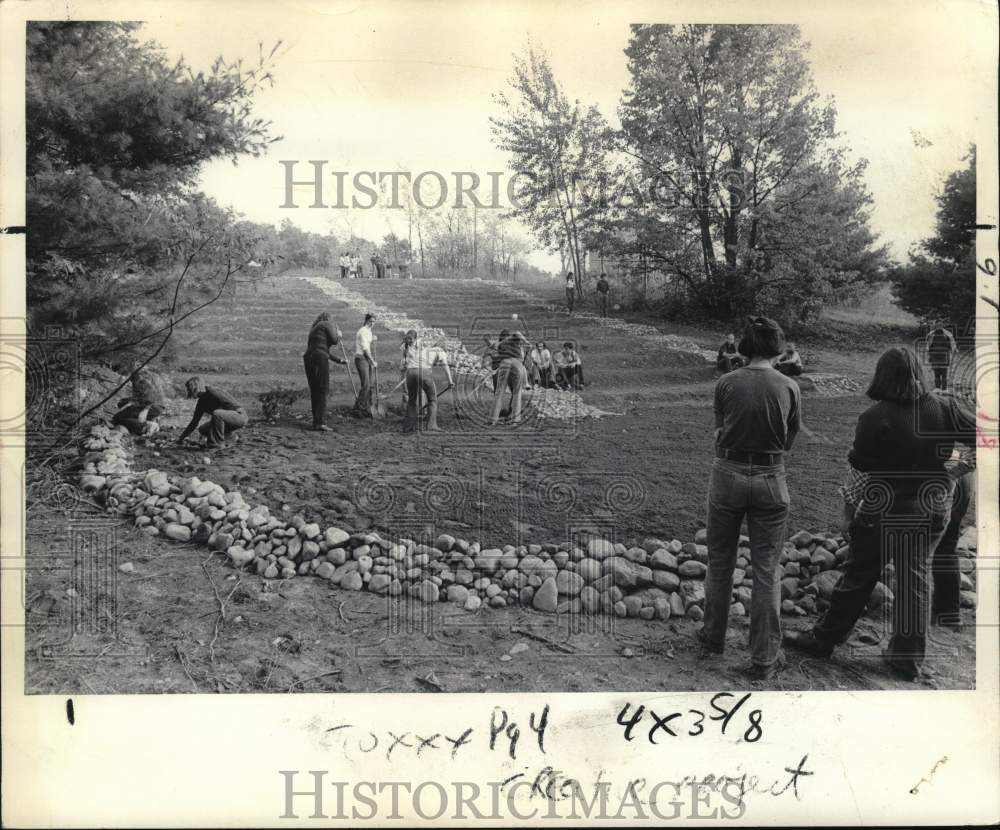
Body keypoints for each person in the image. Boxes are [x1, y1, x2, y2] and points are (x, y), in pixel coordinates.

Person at [783, 347, 976, 680]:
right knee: (915, 580)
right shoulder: (947, 408)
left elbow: (861, 468)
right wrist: (951, 471)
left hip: (889, 506)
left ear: (882, 376)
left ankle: (824, 640)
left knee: (859, 573)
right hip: (934, 507)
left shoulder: (875, 418)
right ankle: (907, 660)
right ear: (919, 372)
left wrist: (852, 511)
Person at [698, 316, 801, 681]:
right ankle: (764, 657)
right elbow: (789, 440)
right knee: (766, 570)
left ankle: (712, 639)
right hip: (772, 478)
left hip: (727, 474)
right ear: (777, 347)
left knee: (720, 561)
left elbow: (718, 432)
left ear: (744, 345)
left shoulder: (726, 382)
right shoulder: (789, 386)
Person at [399, 330, 453, 433]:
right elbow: (445, 367)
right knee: (432, 400)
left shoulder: (425, 350)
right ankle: (431, 425)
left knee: (412, 401)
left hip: (410, 372)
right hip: (423, 372)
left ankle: (408, 427)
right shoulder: (441, 351)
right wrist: (450, 381)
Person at [302, 312, 347, 432]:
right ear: (328, 318)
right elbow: (334, 340)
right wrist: (339, 335)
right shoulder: (326, 323)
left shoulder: (314, 329)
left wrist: (339, 360)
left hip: (309, 358)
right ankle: (320, 422)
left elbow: (323, 349)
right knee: (323, 389)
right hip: (319, 358)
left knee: (315, 390)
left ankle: (316, 422)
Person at [176, 377, 247, 449]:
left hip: (239, 415)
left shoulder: (213, 392)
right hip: (227, 418)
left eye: (189, 389)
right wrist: (181, 438)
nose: (188, 391)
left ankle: (217, 444)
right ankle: (231, 437)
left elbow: (231, 406)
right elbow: (194, 422)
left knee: (217, 413)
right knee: (203, 429)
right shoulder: (201, 402)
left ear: (195, 387)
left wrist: (212, 436)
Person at [490, 331, 529, 425]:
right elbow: (518, 333)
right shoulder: (513, 338)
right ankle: (515, 420)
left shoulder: (500, 344)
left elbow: (496, 353)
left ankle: (493, 420)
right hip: (517, 363)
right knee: (517, 392)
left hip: (504, 363)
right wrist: (527, 342)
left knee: (499, 392)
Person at [353, 313, 378, 416]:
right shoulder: (363, 331)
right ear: (366, 320)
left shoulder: (368, 331)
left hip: (366, 359)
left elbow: (369, 342)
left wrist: (374, 338)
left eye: (374, 322)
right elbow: (365, 350)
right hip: (361, 359)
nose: (372, 323)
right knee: (366, 385)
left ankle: (368, 406)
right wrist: (372, 361)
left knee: (370, 384)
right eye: (370, 321)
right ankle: (358, 408)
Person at [926, 324, 957, 389]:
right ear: (935, 326)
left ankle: (944, 389)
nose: (939, 326)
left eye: (940, 325)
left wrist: (954, 349)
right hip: (935, 357)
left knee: (944, 374)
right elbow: (928, 346)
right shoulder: (931, 335)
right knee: (936, 374)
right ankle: (937, 388)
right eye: (937, 325)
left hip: (944, 357)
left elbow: (952, 343)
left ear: (942, 326)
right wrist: (929, 355)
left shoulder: (948, 334)